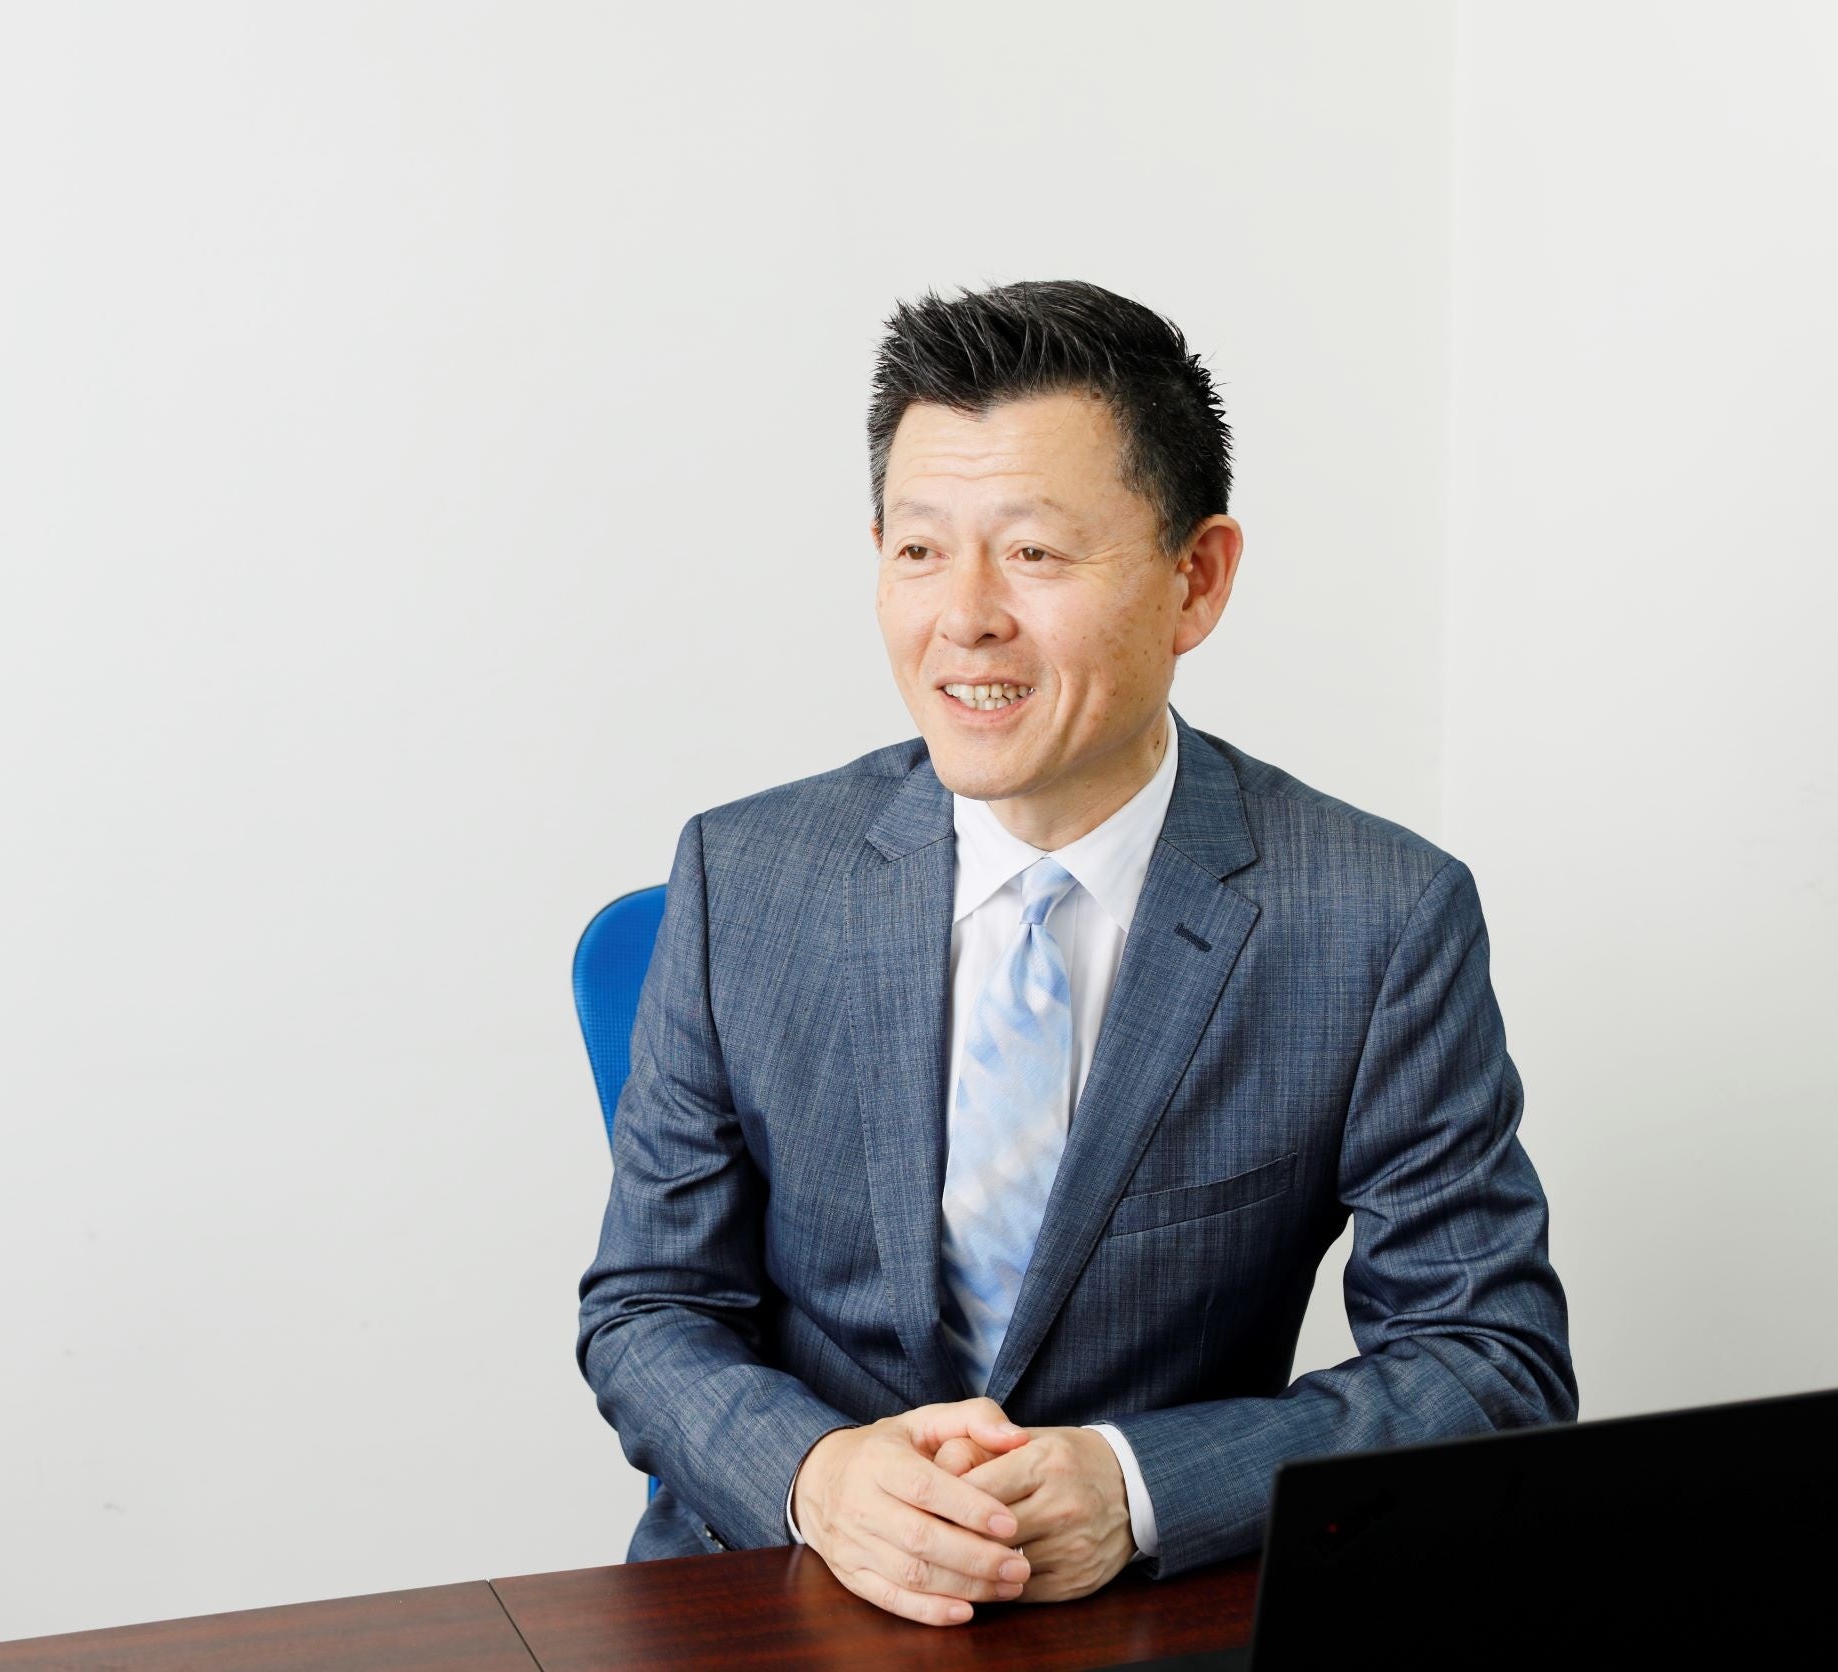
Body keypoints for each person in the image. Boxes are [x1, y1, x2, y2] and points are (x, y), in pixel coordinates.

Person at [574, 280, 1575, 1627]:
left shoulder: (1376, 919)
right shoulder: (744, 878)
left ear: (1196, 579)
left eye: (1035, 553)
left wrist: (1137, 1485)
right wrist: (817, 1476)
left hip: (1144, 1606)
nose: (965, 616)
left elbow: (1490, 1360)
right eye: (919, 551)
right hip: (786, 1589)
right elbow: (648, 1307)